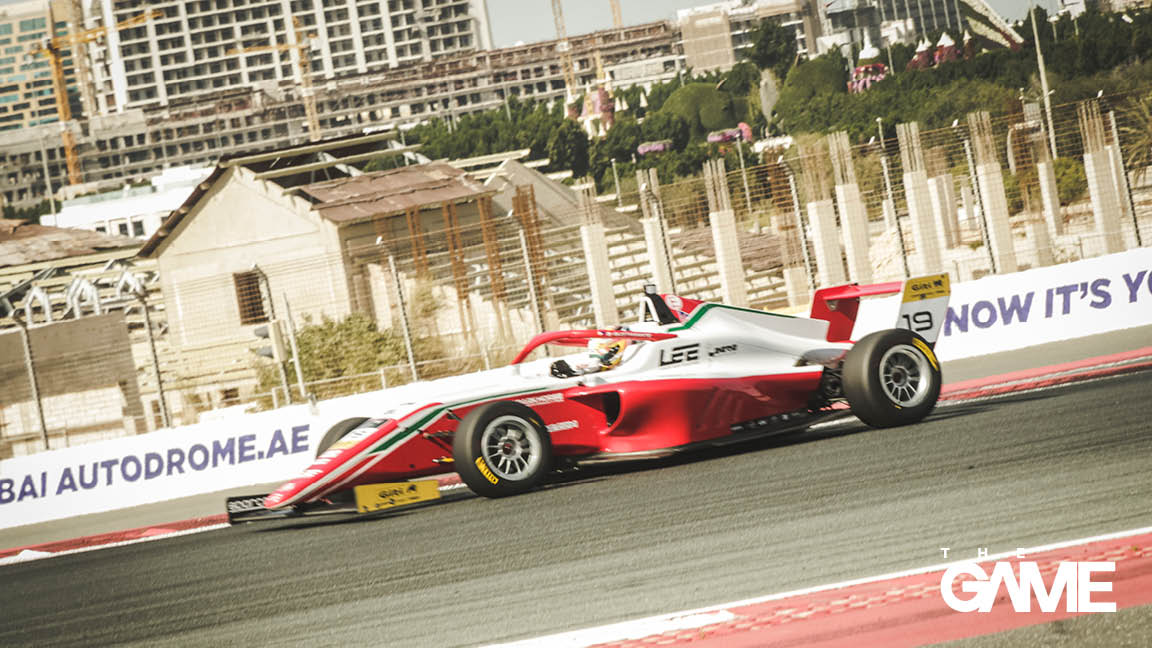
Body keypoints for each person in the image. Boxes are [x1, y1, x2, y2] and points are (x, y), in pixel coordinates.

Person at [550, 337, 631, 378]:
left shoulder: (595, 354)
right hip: (600, 359)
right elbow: (597, 362)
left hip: (599, 359)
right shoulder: (594, 358)